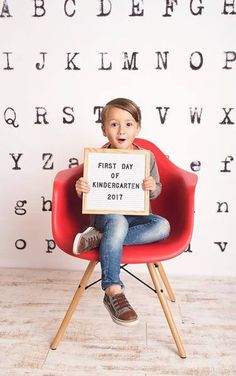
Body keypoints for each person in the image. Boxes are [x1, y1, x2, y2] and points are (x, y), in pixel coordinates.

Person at [73, 98, 170, 327]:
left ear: (137, 128)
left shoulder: (147, 157)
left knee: (163, 226)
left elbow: (156, 191)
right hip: (107, 216)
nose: (121, 130)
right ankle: (113, 290)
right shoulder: (96, 157)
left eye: (128, 124)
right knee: (116, 222)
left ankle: (98, 239)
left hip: (137, 216)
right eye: (114, 124)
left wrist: (151, 187)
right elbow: (90, 193)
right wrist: (81, 189)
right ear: (105, 129)